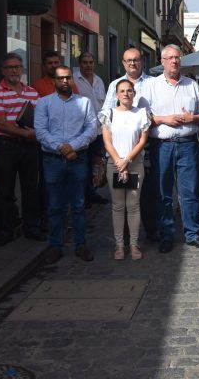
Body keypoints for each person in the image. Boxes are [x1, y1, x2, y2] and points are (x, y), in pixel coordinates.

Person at [142, 45, 199, 253]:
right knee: (163, 193)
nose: (174, 61)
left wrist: (192, 118)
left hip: (188, 144)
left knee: (189, 192)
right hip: (161, 145)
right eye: (170, 58)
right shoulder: (151, 86)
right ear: (162, 61)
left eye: (177, 58)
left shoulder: (191, 85)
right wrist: (165, 119)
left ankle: (192, 234)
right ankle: (167, 235)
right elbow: (142, 117)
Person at [35, 65, 97, 264]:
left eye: (68, 78)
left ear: (72, 80)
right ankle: (55, 246)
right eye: (60, 78)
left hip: (78, 159)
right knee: (54, 205)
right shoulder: (43, 103)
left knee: (78, 204)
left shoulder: (84, 102)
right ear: (53, 81)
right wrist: (61, 148)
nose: (64, 81)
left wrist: (73, 146)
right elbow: (41, 131)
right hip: (52, 160)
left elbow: (92, 129)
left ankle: (81, 244)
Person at [0, 53, 44, 247]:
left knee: (31, 188)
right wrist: (26, 134)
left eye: (17, 67)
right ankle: (6, 230)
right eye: (10, 67)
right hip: (6, 145)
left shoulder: (32, 93)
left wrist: (36, 133)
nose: (14, 70)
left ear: (22, 70)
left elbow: (41, 118)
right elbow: (1, 124)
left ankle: (32, 227)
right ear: (3, 71)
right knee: (5, 190)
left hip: (30, 146)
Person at [102, 47, 158, 242]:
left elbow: (157, 111)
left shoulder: (153, 83)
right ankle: (124, 237)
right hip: (120, 147)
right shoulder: (114, 85)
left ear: (142, 61)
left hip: (149, 142)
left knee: (148, 192)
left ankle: (151, 231)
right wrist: (119, 157)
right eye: (128, 60)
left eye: (136, 59)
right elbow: (107, 114)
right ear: (123, 63)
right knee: (122, 196)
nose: (132, 63)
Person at [101, 79, 149, 261]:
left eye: (129, 90)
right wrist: (119, 162)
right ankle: (120, 245)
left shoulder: (141, 113)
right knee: (118, 206)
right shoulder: (109, 114)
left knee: (134, 206)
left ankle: (134, 244)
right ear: (116, 94)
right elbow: (107, 141)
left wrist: (127, 160)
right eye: (122, 91)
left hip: (134, 163)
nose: (126, 94)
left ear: (134, 93)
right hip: (114, 164)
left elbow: (142, 141)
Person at [73, 51, 109, 206]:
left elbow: (104, 105)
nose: (88, 65)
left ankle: (92, 192)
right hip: (81, 131)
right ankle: (81, 196)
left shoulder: (99, 81)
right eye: (85, 62)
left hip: (99, 130)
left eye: (90, 62)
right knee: (81, 165)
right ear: (79, 64)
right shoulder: (74, 80)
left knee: (95, 164)